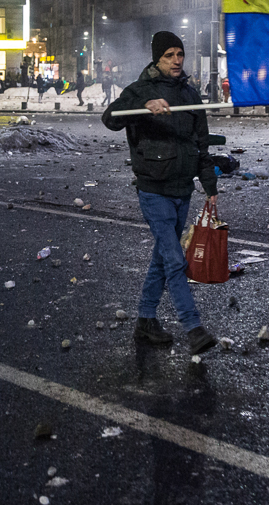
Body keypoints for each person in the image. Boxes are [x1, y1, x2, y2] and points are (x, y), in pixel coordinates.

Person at [101, 31, 219, 356]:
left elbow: (202, 146)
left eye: (179, 54)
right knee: (174, 258)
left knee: (161, 259)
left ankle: (145, 321)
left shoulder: (191, 95)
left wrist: (210, 186)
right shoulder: (140, 90)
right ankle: (193, 328)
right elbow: (110, 118)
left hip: (183, 188)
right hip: (153, 190)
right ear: (157, 59)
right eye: (169, 55)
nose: (177, 60)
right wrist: (143, 106)